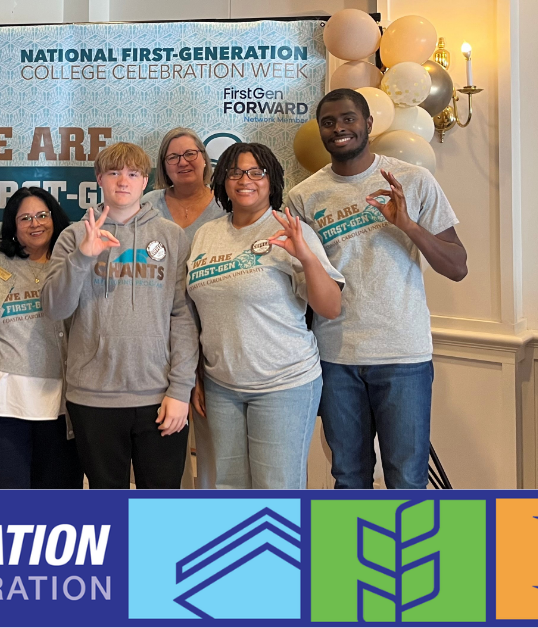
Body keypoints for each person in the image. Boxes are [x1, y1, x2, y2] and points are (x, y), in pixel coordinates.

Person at [286, 88, 468, 489]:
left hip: (403, 355)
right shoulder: (303, 197)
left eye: (348, 119)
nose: (339, 129)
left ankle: (412, 554)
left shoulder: (413, 180)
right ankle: (352, 554)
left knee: (407, 478)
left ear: (368, 124)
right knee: (349, 477)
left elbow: (457, 267)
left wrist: (409, 226)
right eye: (329, 123)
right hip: (336, 358)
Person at [41, 142, 199, 489]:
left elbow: (183, 317)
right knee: (106, 504)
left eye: (132, 173)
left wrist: (181, 390)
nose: (122, 181)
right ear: (99, 178)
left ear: (146, 181)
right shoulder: (72, 237)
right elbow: (54, 308)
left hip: (159, 396)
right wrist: (84, 256)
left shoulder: (172, 237)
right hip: (92, 395)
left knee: (158, 510)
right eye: (113, 172)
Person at [187, 143, 344, 489]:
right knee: (229, 487)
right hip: (221, 386)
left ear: (271, 180)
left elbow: (331, 307)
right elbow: (197, 314)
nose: (246, 180)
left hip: (283, 384)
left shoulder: (290, 229)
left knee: (277, 490)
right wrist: (197, 374)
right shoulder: (205, 235)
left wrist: (305, 255)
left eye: (257, 172)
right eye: (235, 172)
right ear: (223, 181)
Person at [0, 187, 82, 488]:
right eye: (25, 218)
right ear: (12, 224)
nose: (35, 223)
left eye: (42, 215)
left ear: (54, 217)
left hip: (62, 406)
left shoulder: (76, 261)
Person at [143, 127, 225, 489]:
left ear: (205, 160)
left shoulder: (229, 204)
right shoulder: (145, 206)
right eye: (173, 157)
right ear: (163, 166)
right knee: (161, 457)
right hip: (160, 345)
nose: (183, 162)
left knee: (217, 456)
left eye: (191, 153)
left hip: (218, 343)